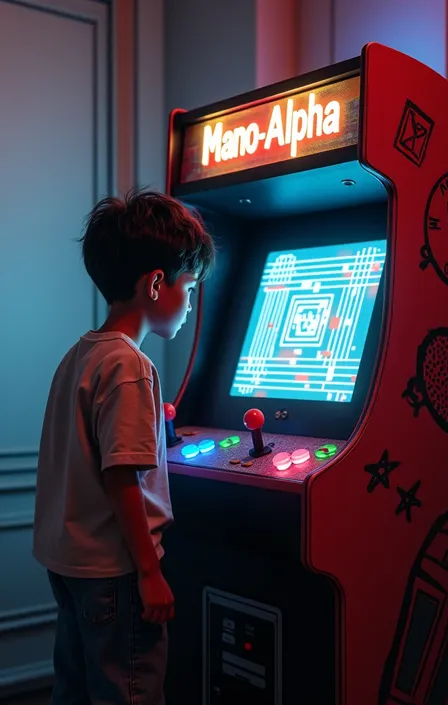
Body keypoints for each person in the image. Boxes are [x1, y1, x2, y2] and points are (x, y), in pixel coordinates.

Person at [33, 190, 216, 704]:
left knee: (75, 688)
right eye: (190, 287)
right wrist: (151, 572)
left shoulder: (81, 355)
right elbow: (121, 477)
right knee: (129, 690)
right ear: (157, 285)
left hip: (69, 566)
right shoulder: (133, 367)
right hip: (116, 574)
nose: (190, 302)